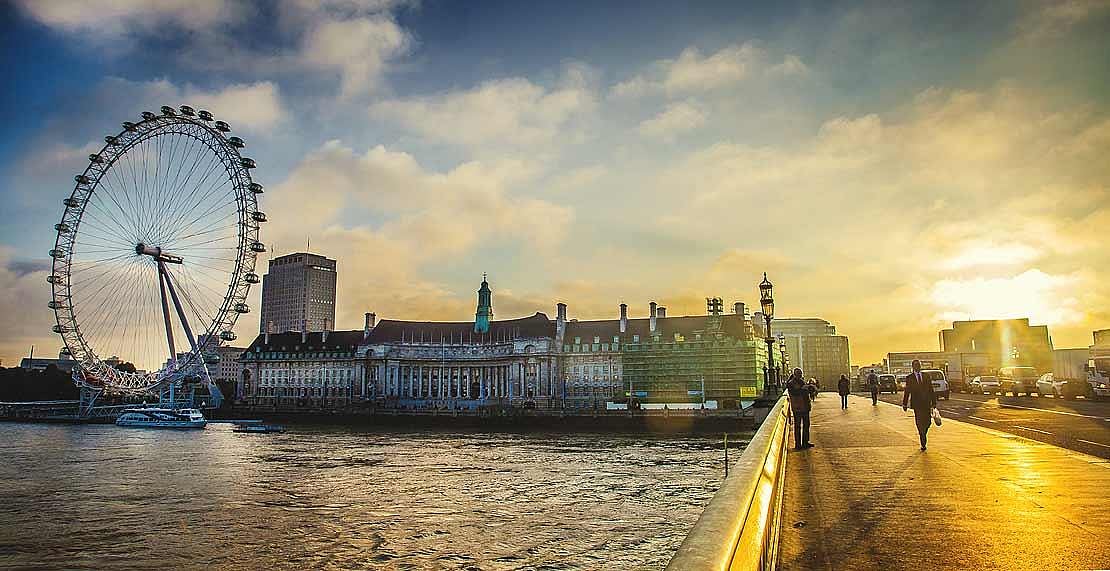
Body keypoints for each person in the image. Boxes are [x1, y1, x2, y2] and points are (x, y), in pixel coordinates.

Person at [902, 359, 938, 451]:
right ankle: (922, 438)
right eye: (916, 365)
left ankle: (923, 433)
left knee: (928, 422)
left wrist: (934, 403)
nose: (918, 367)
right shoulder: (909, 378)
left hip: (926, 403)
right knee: (919, 421)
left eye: (919, 365)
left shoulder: (926, 376)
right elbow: (907, 391)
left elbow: (931, 389)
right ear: (913, 367)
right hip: (917, 404)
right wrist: (904, 404)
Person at [785, 368, 813, 449]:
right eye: (799, 374)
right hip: (798, 407)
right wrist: (803, 389)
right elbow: (794, 393)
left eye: (801, 374)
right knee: (797, 426)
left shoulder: (802, 381)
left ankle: (805, 442)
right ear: (795, 374)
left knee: (806, 425)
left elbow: (805, 392)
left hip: (805, 407)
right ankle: (798, 444)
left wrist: (809, 388)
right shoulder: (791, 383)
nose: (800, 375)